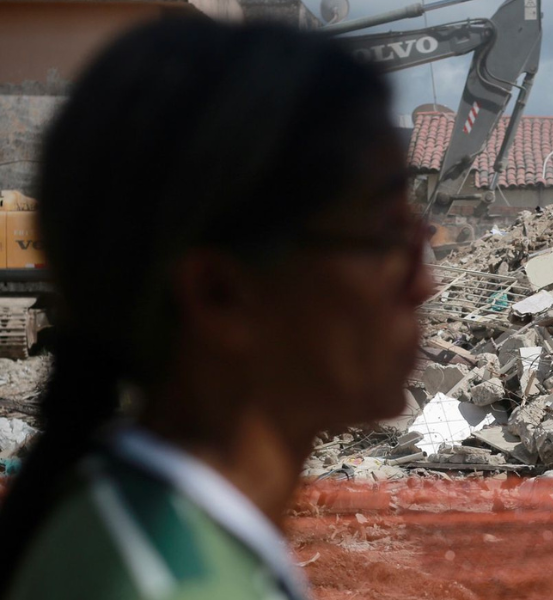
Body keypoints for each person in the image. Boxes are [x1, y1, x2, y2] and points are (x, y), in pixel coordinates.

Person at [0, 18, 432, 600]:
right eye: (388, 234)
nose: (424, 282)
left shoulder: (140, 531)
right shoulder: (160, 580)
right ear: (220, 294)